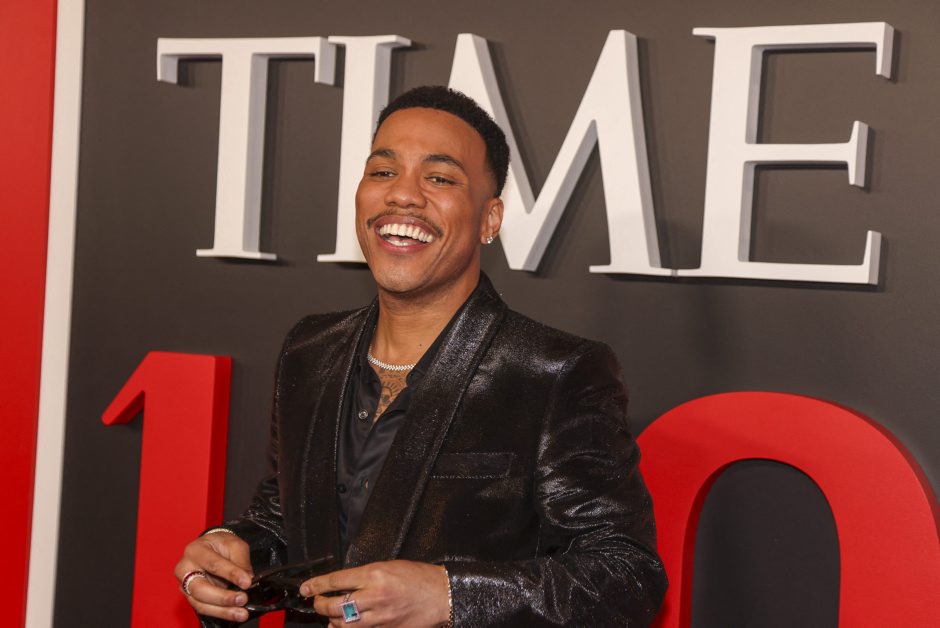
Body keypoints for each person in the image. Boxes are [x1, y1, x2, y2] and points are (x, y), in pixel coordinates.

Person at [174, 85, 667, 627]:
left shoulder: (553, 373)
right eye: (383, 171)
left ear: (490, 219)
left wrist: (449, 596)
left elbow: (626, 577)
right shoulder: (309, 350)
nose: (403, 195)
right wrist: (230, 551)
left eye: (440, 178)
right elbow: (284, 519)